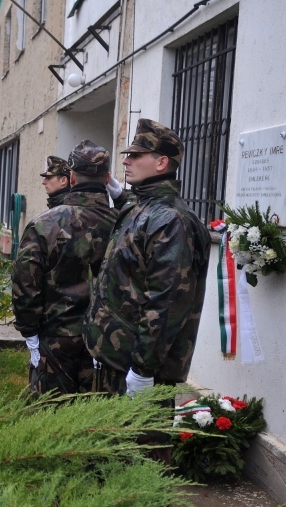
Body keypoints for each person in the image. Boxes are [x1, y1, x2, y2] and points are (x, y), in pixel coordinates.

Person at [84, 119, 211, 398]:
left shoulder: (172, 221)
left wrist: (143, 370)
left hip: (138, 367)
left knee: (141, 441)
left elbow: (166, 303)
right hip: (116, 359)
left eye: (135, 155)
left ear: (162, 162)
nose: (126, 160)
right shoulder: (142, 206)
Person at [12, 141, 118, 397]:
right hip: (107, 339)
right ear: (107, 178)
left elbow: (25, 284)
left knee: (51, 415)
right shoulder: (124, 223)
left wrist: (29, 332)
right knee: (99, 419)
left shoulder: (45, 224)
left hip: (56, 336)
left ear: (70, 177)